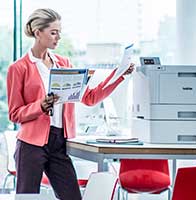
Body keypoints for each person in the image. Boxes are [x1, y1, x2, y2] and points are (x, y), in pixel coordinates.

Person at [6, 8, 134, 200]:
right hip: (31, 145)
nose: (58, 37)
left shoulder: (64, 63)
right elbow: (15, 113)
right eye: (53, 32)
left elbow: (90, 97)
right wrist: (40, 106)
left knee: (72, 197)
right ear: (38, 32)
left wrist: (118, 76)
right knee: (27, 198)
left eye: (59, 32)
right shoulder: (19, 68)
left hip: (59, 141)